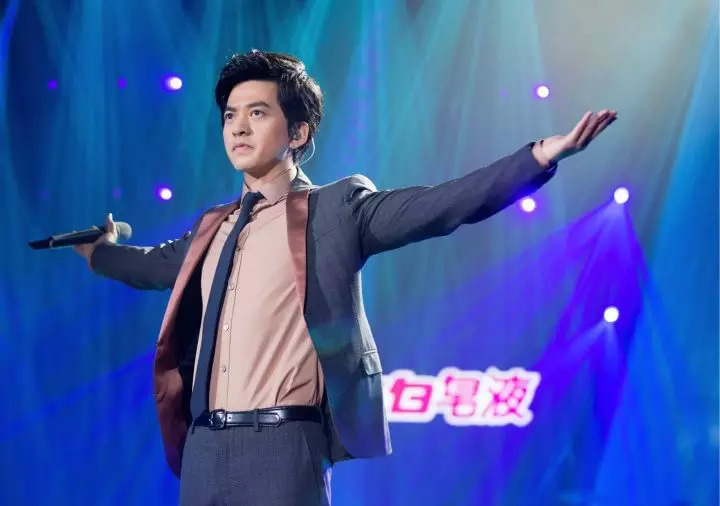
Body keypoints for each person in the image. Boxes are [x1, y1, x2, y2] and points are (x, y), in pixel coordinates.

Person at [74, 49, 617, 505]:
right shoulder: (212, 227)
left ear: (298, 131)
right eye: (230, 115)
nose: (237, 126)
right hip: (204, 448)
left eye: (257, 113)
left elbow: (441, 204)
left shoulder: (335, 209)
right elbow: (150, 266)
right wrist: (100, 252)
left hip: (283, 444)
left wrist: (538, 157)